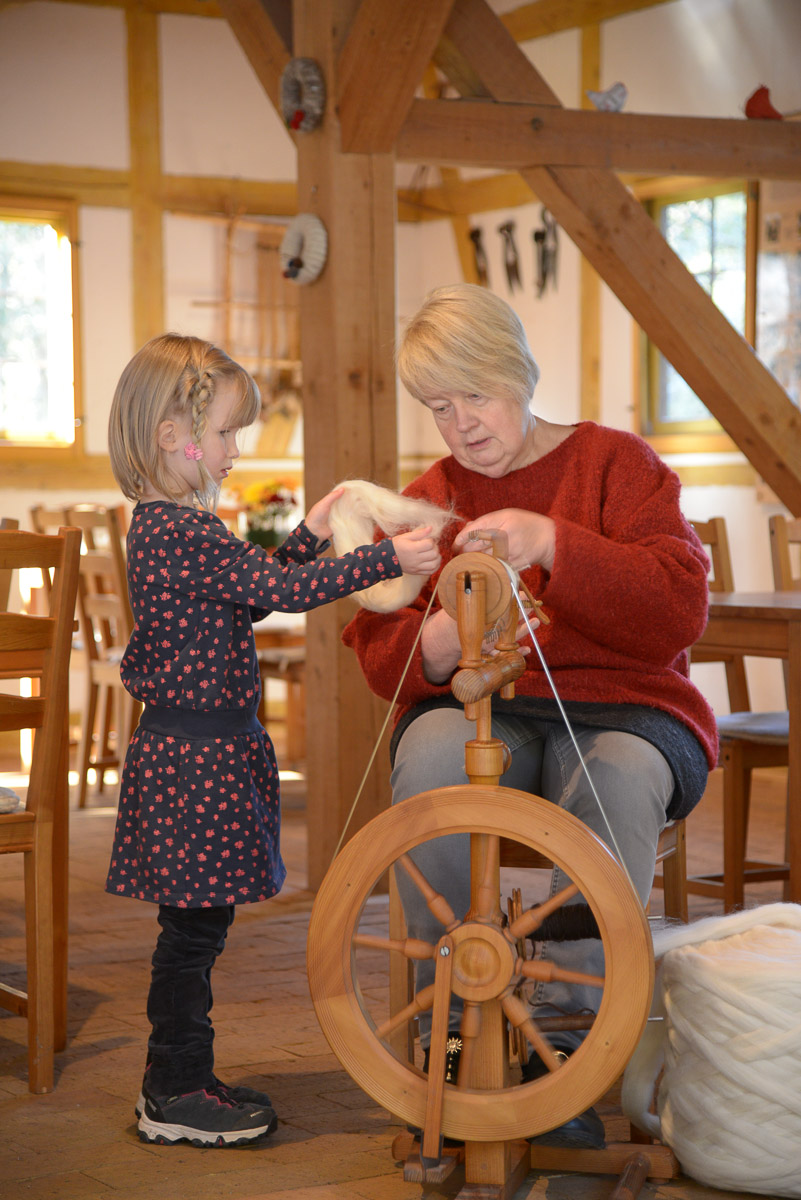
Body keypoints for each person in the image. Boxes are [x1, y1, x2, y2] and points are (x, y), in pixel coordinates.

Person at [342, 283, 718, 1149]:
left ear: (517, 372)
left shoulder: (615, 467)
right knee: (432, 750)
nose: (462, 423)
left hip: (626, 711)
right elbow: (376, 643)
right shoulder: (429, 495)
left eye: (475, 394)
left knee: (613, 778)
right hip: (492, 714)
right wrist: (432, 646)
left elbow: (676, 610)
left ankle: (566, 1050)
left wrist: (552, 541)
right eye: (440, 407)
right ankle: (452, 1028)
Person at [105, 333, 441, 1148]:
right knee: (189, 936)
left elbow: (249, 598)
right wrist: (378, 558)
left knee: (199, 930)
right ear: (171, 438)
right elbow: (277, 590)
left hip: (206, 755)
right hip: (191, 761)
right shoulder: (172, 531)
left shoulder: (184, 532)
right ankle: (173, 1088)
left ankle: (184, 1073)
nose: (232, 452)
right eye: (223, 434)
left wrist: (313, 526)